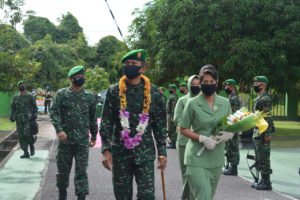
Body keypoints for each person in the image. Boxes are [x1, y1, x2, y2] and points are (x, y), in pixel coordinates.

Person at [100, 49, 167, 200]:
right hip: (120, 154)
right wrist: (106, 149)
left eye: (133, 64)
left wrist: (162, 152)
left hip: (145, 154)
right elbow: (106, 123)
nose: (129, 66)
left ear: (142, 68)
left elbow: (160, 125)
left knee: (147, 195)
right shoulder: (114, 91)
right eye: (127, 64)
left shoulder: (154, 93)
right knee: (122, 195)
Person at [179, 64, 233, 200]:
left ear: (217, 82)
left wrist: (228, 135)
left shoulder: (225, 103)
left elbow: (231, 125)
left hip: (216, 159)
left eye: (212, 82)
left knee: (207, 196)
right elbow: (183, 128)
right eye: (205, 82)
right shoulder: (192, 103)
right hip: (196, 158)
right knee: (203, 197)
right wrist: (202, 138)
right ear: (200, 83)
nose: (208, 84)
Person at [50, 65, 97, 200]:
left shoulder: (89, 97)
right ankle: (62, 195)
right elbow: (54, 113)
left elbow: (92, 118)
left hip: (82, 141)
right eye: (78, 76)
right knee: (63, 171)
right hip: (65, 141)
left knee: (81, 172)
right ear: (71, 78)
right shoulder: (62, 94)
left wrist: (94, 136)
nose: (81, 78)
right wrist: (59, 130)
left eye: (83, 76)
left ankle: (81, 197)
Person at [173, 75, 200, 198]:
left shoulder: (204, 100)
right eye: (193, 84)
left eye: (198, 84)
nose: (196, 86)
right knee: (186, 174)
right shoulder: (182, 100)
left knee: (197, 175)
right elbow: (177, 119)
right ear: (189, 85)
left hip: (200, 143)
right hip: (185, 141)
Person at [251, 75, 274, 190]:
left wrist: (268, 134)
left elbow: (268, 117)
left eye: (257, 84)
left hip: (263, 132)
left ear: (263, 85)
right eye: (254, 83)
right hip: (258, 131)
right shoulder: (258, 98)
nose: (255, 86)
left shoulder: (265, 99)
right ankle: (261, 180)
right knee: (259, 157)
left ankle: (267, 181)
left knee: (264, 157)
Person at [10, 80, 38, 158]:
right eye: (19, 85)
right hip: (19, 120)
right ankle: (25, 152)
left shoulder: (30, 96)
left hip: (28, 120)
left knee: (27, 134)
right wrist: (11, 116)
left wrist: (34, 115)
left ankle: (32, 146)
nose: (21, 86)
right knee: (21, 136)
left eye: (22, 85)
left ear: (25, 86)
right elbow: (12, 108)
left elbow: (35, 108)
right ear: (18, 87)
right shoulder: (15, 97)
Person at [222, 79, 241, 176]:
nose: (226, 88)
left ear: (232, 87)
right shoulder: (230, 98)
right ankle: (229, 165)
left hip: (233, 125)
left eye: (227, 86)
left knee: (233, 146)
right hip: (229, 125)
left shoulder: (234, 99)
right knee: (229, 146)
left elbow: (235, 114)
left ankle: (234, 167)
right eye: (225, 86)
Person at [167, 83, 178, 148]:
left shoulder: (174, 97)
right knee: (169, 128)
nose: (170, 89)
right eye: (169, 88)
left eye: (171, 88)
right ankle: (171, 141)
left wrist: (173, 116)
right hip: (169, 114)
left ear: (174, 89)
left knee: (172, 129)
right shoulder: (171, 96)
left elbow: (174, 107)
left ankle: (173, 143)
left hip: (172, 114)